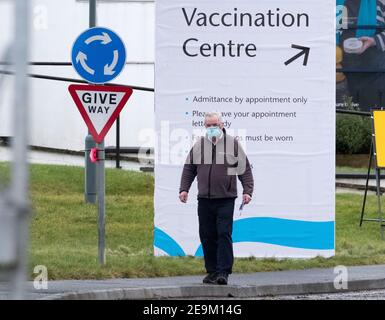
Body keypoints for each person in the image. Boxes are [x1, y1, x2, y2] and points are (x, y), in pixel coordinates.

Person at [179, 112, 254, 285]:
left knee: (223, 234)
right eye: (208, 125)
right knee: (207, 235)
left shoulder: (232, 144)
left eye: (215, 125)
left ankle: (223, 272)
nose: (212, 128)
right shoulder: (199, 146)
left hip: (225, 198)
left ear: (221, 125)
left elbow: (244, 169)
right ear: (205, 127)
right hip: (204, 199)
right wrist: (184, 189)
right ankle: (212, 271)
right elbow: (189, 168)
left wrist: (247, 191)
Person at [337, 0, 385, 111]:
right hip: (338, 79)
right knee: (343, 123)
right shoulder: (328, 4)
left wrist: (374, 40)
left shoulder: (380, 2)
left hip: (374, 76)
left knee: (377, 123)